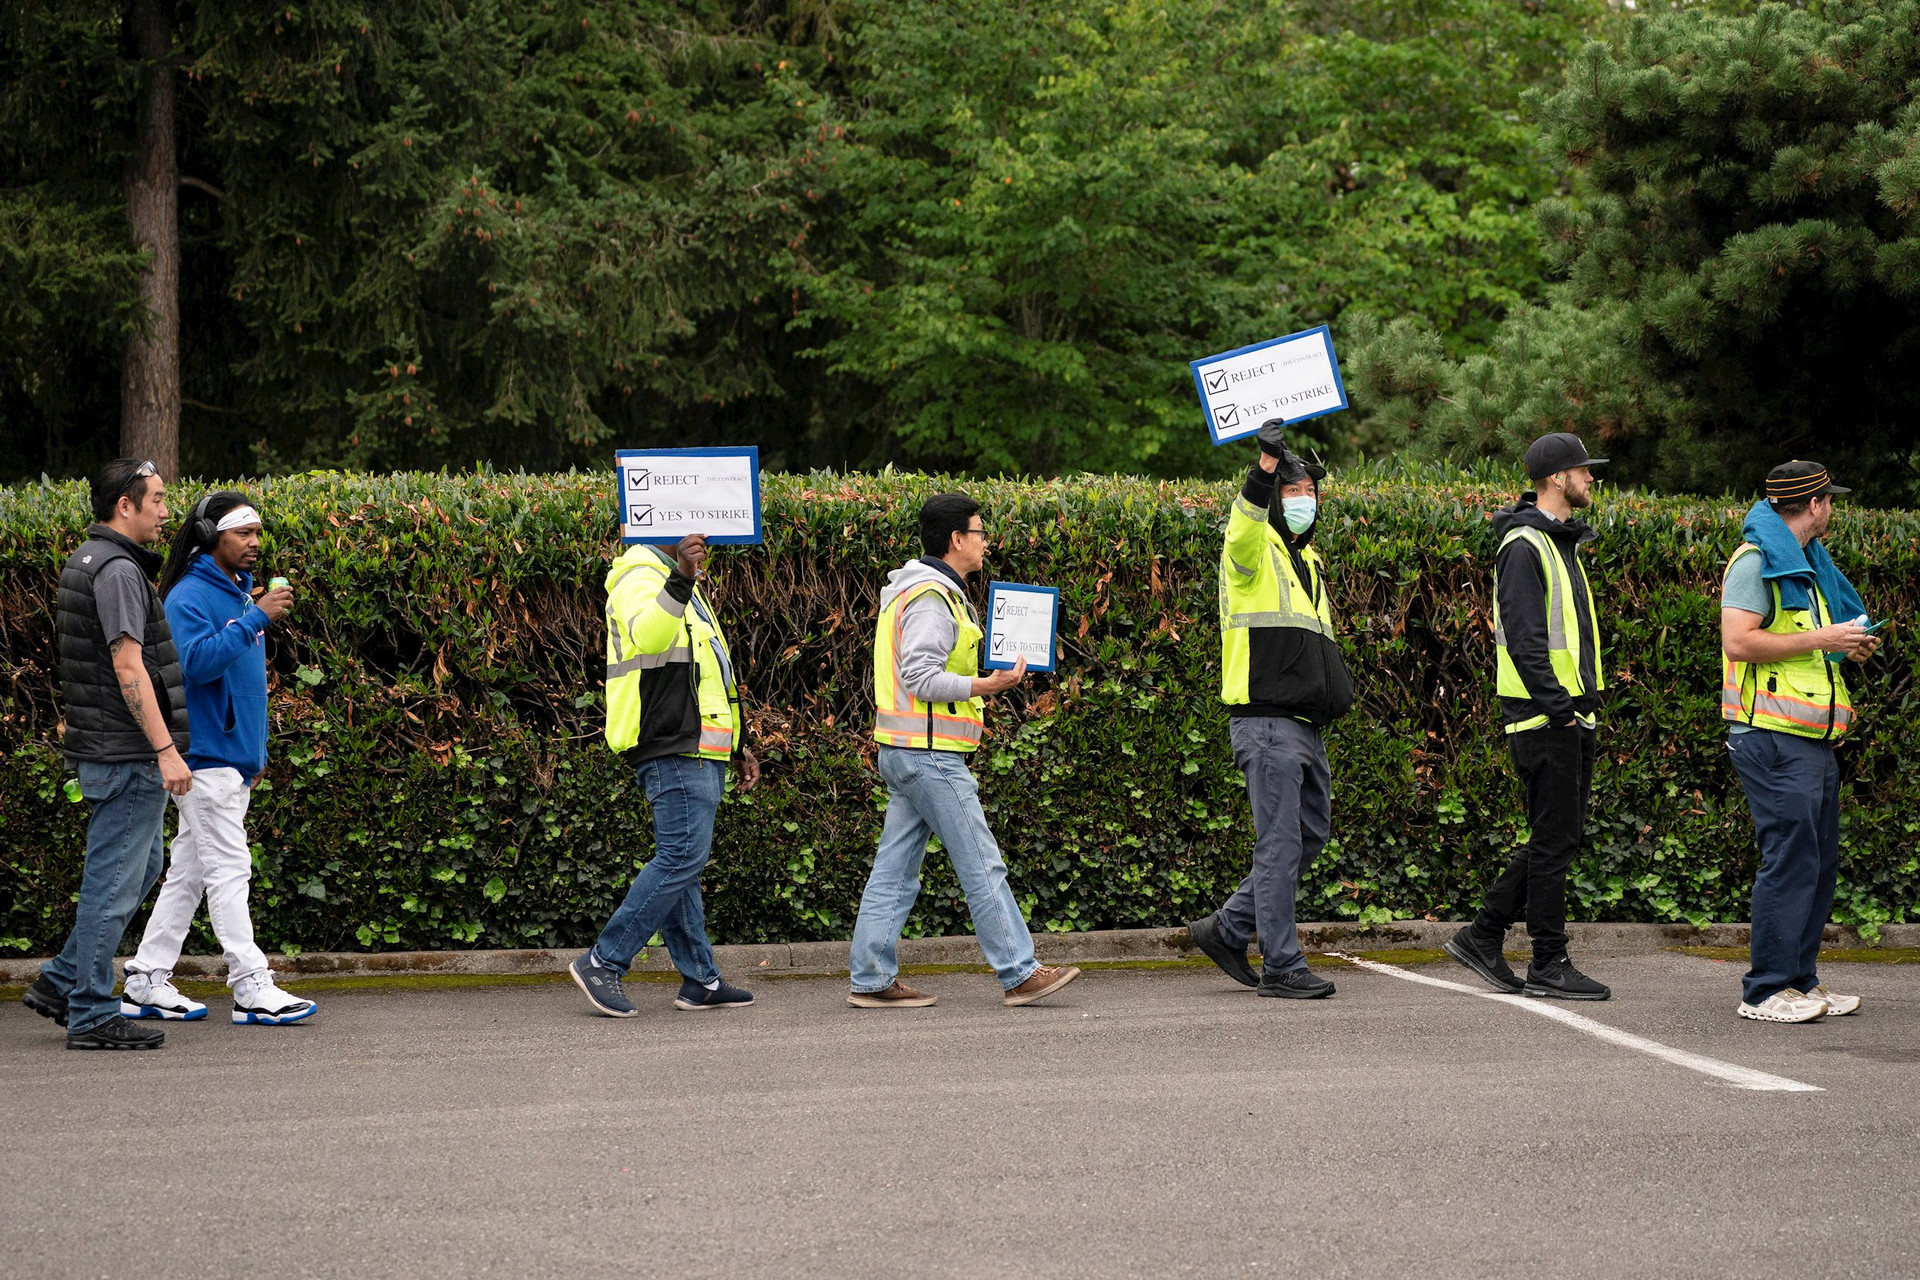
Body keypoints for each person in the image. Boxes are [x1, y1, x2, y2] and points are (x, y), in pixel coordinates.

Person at [846, 492, 1080, 1008]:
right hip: (930, 755)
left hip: (904, 749)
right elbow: (921, 676)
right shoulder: (932, 597)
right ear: (956, 540)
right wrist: (986, 686)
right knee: (981, 862)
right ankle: (1020, 972)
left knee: (895, 870)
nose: (985, 543)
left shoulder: (920, 592)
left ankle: (870, 978)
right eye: (979, 533)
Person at [117, 492, 316, 1025]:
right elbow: (194, 667)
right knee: (230, 868)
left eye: (258, 533)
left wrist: (253, 752)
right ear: (210, 537)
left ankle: (144, 980)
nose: (255, 543)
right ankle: (251, 986)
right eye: (242, 534)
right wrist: (253, 619)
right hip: (205, 758)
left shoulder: (234, 596)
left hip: (230, 758)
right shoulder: (189, 597)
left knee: (189, 872)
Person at [22, 459, 191, 1050]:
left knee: (138, 869)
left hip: (111, 749)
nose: (167, 511)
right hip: (127, 754)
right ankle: (91, 1012)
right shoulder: (118, 570)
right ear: (126, 505)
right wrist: (166, 751)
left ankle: (61, 980)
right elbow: (127, 665)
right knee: (112, 882)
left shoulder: (87, 559)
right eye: (159, 499)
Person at [1186, 421, 1354, 999]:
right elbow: (1241, 528)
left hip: (1304, 726)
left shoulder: (1308, 562)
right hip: (1266, 722)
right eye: (1292, 491)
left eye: (1309, 491)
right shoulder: (1253, 551)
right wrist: (1263, 466)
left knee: (1309, 834)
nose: (1303, 500)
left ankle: (1228, 929)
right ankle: (1282, 964)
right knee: (1280, 844)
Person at [1447, 432, 1613, 1000]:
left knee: (1555, 837)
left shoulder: (1558, 543)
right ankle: (1547, 961)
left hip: (1565, 715)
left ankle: (1483, 935)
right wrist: (1562, 711)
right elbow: (1523, 640)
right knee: (1553, 841)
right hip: (1547, 719)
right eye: (1583, 471)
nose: (1591, 479)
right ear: (1555, 479)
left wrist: (1578, 709)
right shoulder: (1525, 546)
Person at [568, 532, 760, 1017]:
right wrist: (681, 578)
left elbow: (711, 674)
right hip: (671, 739)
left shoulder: (683, 584)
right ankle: (602, 961)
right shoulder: (639, 573)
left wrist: (737, 746)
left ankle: (701, 980)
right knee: (680, 859)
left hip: (699, 743)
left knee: (684, 864)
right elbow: (649, 636)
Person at [1720, 461, 1877, 1024]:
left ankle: (1800, 983)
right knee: (1790, 860)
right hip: (1770, 737)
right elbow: (1738, 642)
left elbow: (1801, 648)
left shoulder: (1804, 566)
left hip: (1809, 738)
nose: (1833, 508)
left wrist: (1842, 647)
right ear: (1814, 505)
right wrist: (1825, 635)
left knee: (1817, 862)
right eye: (1830, 500)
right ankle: (1763, 991)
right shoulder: (1756, 561)